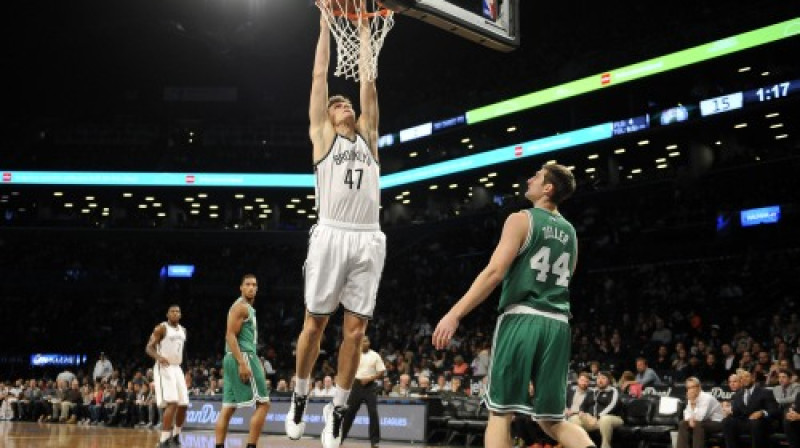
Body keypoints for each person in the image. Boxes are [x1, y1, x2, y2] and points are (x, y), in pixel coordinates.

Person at [433, 164, 597, 448]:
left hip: (523, 318)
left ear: (548, 188)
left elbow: (494, 272)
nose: (530, 178)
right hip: (558, 324)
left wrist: (454, 313)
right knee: (552, 420)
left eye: (537, 175)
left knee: (499, 413)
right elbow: (567, 278)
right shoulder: (571, 232)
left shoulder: (521, 219)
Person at [285, 11, 386, 448]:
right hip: (330, 232)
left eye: (346, 104)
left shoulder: (369, 136)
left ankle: (338, 408)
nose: (343, 105)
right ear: (327, 116)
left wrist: (364, 27)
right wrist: (326, 23)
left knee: (356, 332)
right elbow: (319, 74)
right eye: (336, 104)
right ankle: (301, 395)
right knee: (315, 324)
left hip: (368, 235)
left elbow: (368, 80)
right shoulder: (323, 139)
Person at [215, 275, 270, 448]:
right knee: (263, 404)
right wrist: (243, 363)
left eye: (254, 285)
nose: (251, 288)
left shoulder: (244, 308)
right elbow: (230, 335)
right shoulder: (241, 307)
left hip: (231, 357)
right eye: (248, 284)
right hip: (243, 356)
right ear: (241, 287)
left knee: (228, 407)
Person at [146, 304, 189, 448]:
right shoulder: (161, 328)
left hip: (177, 368)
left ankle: (176, 436)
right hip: (164, 367)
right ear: (167, 314)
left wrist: (187, 372)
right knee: (172, 403)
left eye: (178, 311)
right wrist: (159, 357)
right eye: (172, 311)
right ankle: (164, 439)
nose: (175, 313)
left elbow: (184, 353)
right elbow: (149, 348)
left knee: (183, 404)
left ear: (180, 315)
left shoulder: (183, 330)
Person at [341, 335, 386, 448]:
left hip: (370, 387)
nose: (365, 343)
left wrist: (369, 379)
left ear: (369, 343)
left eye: (367, 341)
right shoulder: (354, 354)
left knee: (373, 413)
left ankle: (374, 441)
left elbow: (381, 372)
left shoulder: (375, 355)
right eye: (363, 341)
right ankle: (340, 438)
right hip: (356, 385)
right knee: (349, 413)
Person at [722, 369, 779, 448]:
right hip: (744, 422)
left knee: (755, 423)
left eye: (746, 377)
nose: (744, 379)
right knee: (727, 421)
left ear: (753, 378)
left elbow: (774, 410)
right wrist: (728, 411)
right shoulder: (738, 394)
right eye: (741, 378)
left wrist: (762, 412)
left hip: (761, 422)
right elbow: (736, 412)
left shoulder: (765, 392)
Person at [569, 372, 624, 448]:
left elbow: (612, 406)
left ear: (608, 381)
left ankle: (605, 446)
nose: (600, 380)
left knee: (605, 419)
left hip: (613, 418)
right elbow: (584, 405)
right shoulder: (593, 392)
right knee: (574, 419)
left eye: (603, 378)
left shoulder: (614, 391)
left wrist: (598, 416)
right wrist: (582, 412)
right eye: (598, 378)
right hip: (593, 420)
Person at [676, 376, 724, 448]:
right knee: (682, 423)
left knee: (698, 425)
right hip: (703, 421)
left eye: (693, 387)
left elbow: (700, 417)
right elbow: (686, 415)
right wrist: (690, 420)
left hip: (717, 422)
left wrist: (692, 404)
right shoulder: (691, 397)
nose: (690, 390)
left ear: (699, 387)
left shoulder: (706, 398)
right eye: (688, 388)